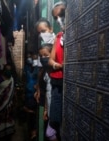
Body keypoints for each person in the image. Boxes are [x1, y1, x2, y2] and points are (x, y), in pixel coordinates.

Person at [48, 1, 67, 141]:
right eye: (56, 18)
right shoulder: (59, 36)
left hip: (67, 81)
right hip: (57, 79)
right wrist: (59, 66)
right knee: (56, 117)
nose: (59, 19)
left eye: (62, 14)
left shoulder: (75, 34)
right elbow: (50, 60)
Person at [0, 64, 15, 141]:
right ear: (4, 70)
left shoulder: (11, 79)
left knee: (7, 120)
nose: (8, 71)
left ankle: (7, 134)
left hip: (8, 104)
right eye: (7, 69)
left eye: (9, 69)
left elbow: (10, 93)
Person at [23, 52, 39, 140]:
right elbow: (25, 79)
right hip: (28, 93)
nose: (32, 59)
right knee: (30, 114)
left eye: (34, 58)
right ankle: (31, 131)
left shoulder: (38, 69)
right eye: (31, 58)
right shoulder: (27, 68)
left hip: (35, 93)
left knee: (34, 114)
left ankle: (34, 132)